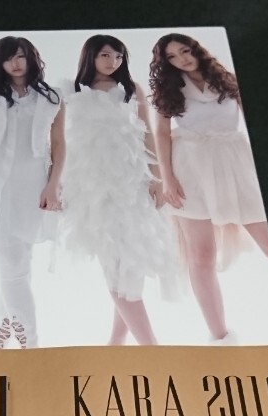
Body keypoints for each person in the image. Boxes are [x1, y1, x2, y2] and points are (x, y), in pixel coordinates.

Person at [150, 33, 268, 345]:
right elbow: (161, 134)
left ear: (197, 50)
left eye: (185, 51)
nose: (182, 59)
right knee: (202, 255)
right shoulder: (169, 90)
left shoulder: (227, 80)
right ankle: (220, 338)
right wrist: (167, 179)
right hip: (190, 170)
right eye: (172, 57)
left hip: (236, 165)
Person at [61, 35, 178, 346]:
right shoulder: (72, 91)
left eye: (118, 56)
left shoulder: (130, 89)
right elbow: (58, 141)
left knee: (132, 263)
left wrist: (157, 178)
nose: (112, 61)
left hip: (132, 184)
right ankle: (151, 348)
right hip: (92, 189)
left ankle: (115, 346)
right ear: (90, 56)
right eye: (105, 55)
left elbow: (147, 134)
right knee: (113, 265)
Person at [0, 36, 64, 349]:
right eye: (7, 58)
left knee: (18, 265)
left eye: (20, 56)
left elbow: (59, 144)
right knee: (14, 265)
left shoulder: (52, 97)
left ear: (31, 58)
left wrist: (53, 184)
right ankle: (30, 346)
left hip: (31, 188)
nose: (15, 64)